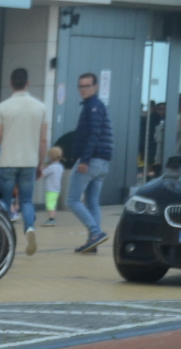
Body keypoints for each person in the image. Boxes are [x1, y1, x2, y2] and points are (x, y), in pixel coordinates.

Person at [0, 68, 47, 257]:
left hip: (7, 161)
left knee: (4, 201)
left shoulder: (2, 107)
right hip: (29, 162)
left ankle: (3, 240)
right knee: (26, 200)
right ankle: (30, 229)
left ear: (11, 84)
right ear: (28, 83)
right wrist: (40, 164)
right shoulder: (39, 108)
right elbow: (43, 141)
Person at [68, 72, 114, 253]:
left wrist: (84, 160)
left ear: (95, 87)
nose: (83, 89)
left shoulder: (93, 107)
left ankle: (95, 233)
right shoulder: (97, 106)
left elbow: (93, 134)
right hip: (102, 161)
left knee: (72, 200)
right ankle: (92, 243)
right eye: (80, 86)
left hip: (92, 160)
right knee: (92, 201)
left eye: (87, 86)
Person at [41, 147, 64, 227]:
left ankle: (51, 219)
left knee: (50, 205)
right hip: (57, 189)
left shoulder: (51, 167)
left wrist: (42, 168)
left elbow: (43, 174)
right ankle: (52, 218)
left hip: (50, 189)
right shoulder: (60, 167)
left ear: (51, 157)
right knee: (53, 204)